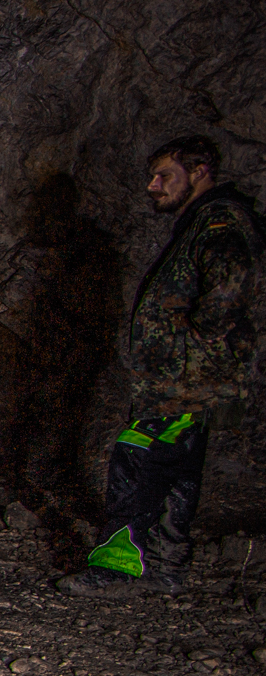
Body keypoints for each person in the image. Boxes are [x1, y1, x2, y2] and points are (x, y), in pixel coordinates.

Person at [61, 135, 260, 596]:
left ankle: (117, 567)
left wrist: (193, 350)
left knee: (138, 460)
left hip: (182, 383)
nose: (153, 186)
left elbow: (230, 287)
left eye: (165, 175)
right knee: (179, 470)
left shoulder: (219, 220)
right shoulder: (206, 220)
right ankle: (166, 567)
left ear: (200, 171)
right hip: (190, 384)